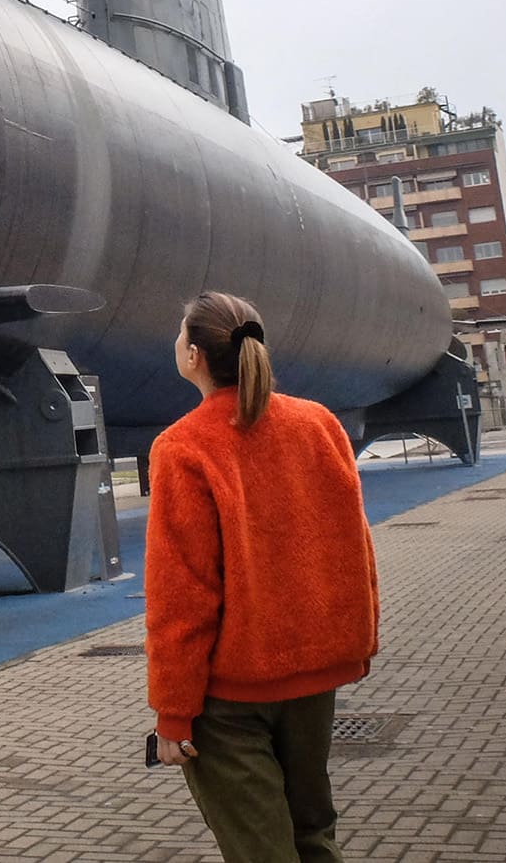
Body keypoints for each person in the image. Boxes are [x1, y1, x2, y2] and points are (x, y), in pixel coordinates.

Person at [144, 291, 379, 863]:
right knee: (313, 837)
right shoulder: (318, 424)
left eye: (180, 333)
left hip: (229, 699)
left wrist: (173, 713)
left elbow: (182, 594)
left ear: (195, 355)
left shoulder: (183, 447)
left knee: (261, 850)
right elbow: (353, 547)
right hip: (313, 679)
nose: (176, 342)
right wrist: (353, 645)